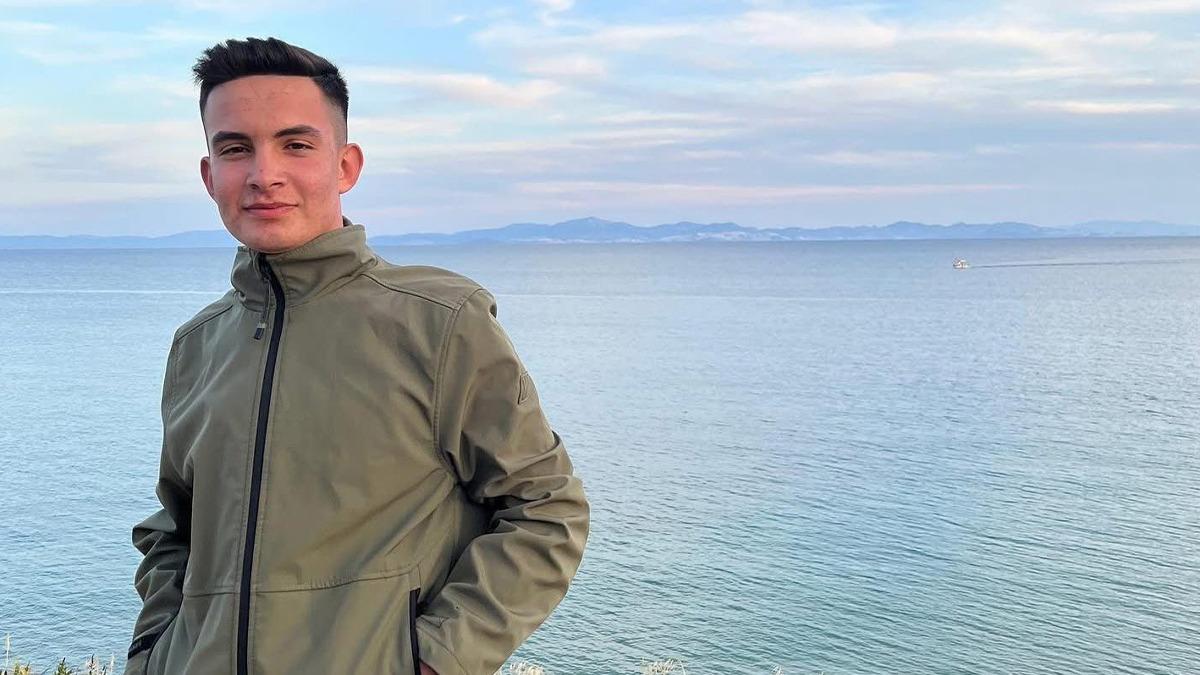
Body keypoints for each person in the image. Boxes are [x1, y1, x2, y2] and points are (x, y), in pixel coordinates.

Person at [123, 37, 590, 675]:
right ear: (209, 176)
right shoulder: (198, 344)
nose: (264, 174)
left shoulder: (439, 322)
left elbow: (546, 508)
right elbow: (174, 531)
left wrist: (437, 659)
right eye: (235, 149)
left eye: (295, 144)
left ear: (345, 166)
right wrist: (152, 653)